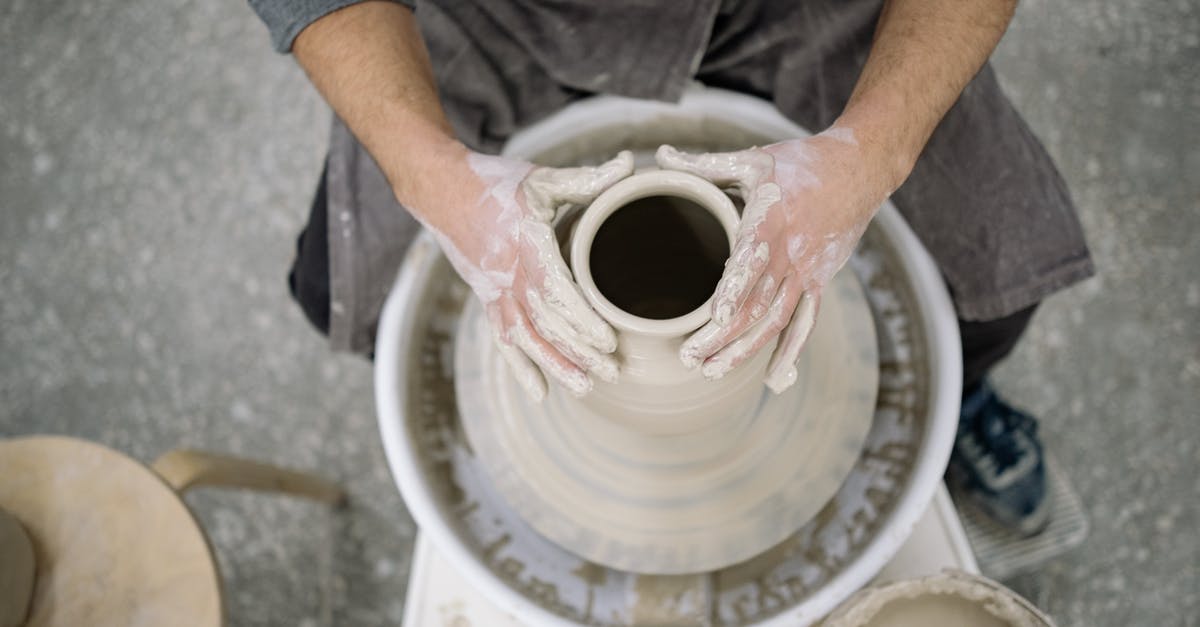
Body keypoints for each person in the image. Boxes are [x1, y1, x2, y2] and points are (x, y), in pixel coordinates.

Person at [249, 0, 1093, 536]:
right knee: (341, 286)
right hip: (487, 15)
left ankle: (962, 401)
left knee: (992, 258)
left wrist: (868, 152)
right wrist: (435, 180)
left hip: (800, 7)